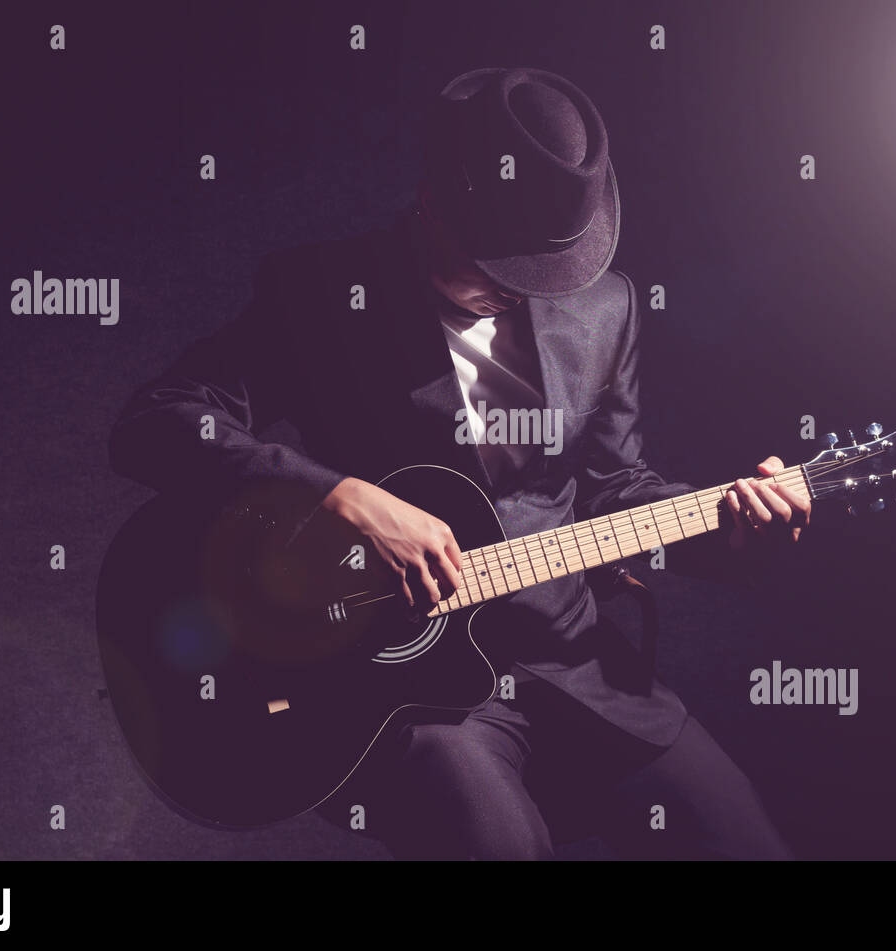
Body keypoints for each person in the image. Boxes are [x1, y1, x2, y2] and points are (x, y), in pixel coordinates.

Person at [109, 66, 807, 859]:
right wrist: (340, 495)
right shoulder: (322, 292)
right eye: (502, 266)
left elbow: (618, 490)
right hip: (405, 687)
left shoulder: (605, 308)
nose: (523, 293)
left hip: (574, 656)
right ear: (434, 201)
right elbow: (156, 422)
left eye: (547, 268)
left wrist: (732, 528)